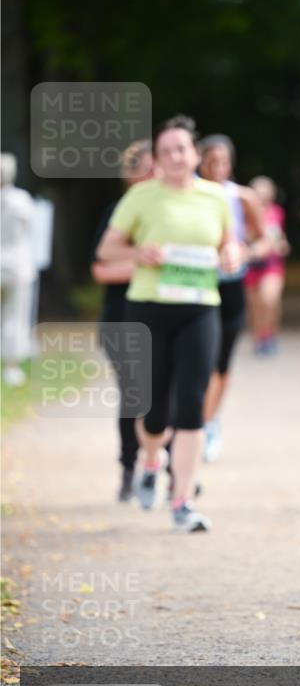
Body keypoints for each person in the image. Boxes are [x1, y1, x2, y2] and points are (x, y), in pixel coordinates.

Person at [96, 115, 238, 533]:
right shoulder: (142, 197)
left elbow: (230, 245)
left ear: (194, 154)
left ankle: (181, 501)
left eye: (182, 149)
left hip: (200, 309)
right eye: (166, 151)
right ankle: (152, 459)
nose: (175, 156)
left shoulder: (215, 198)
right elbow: (107, 249)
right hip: (149, 309)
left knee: (191, 404)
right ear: (156, 160)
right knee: (154, 410)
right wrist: (140, 252)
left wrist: (233, 256)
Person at [90, 140, 156, 501]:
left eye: (154, 168)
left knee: (165, 392)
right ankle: (129, 468)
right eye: (145, 169)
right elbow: (100, 269)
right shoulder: (118, 213)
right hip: (122, 317)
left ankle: (166, 463)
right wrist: (145, 266)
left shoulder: (170, 211)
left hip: (164, 313)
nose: (152, 175)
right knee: (134, 394)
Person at [197, 134, 268, 461]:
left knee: (221, 360)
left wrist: (245, 252)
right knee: (198, 357)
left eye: (222, 161)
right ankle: (193, 421)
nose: (216, 167)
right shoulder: (188, 193)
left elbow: (267, 241)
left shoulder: (242, 197)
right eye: (210, 160)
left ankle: (209, 421)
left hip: (229, 284)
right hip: (195, 285)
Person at [0, 153, 36, 386]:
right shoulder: (21, 199)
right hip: (16, 263)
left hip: (11, 262)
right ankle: (11, 366)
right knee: (15, 315)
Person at [244, 176, 289, 355]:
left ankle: (270, 335)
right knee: (255, 306)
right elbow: (245, 238)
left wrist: (283, 244)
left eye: (266, 192)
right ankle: (259, 338)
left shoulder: (277, 211)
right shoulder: (245, 213)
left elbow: (279, 235)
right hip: (252, 263)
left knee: (269, 300)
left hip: (272, 263)